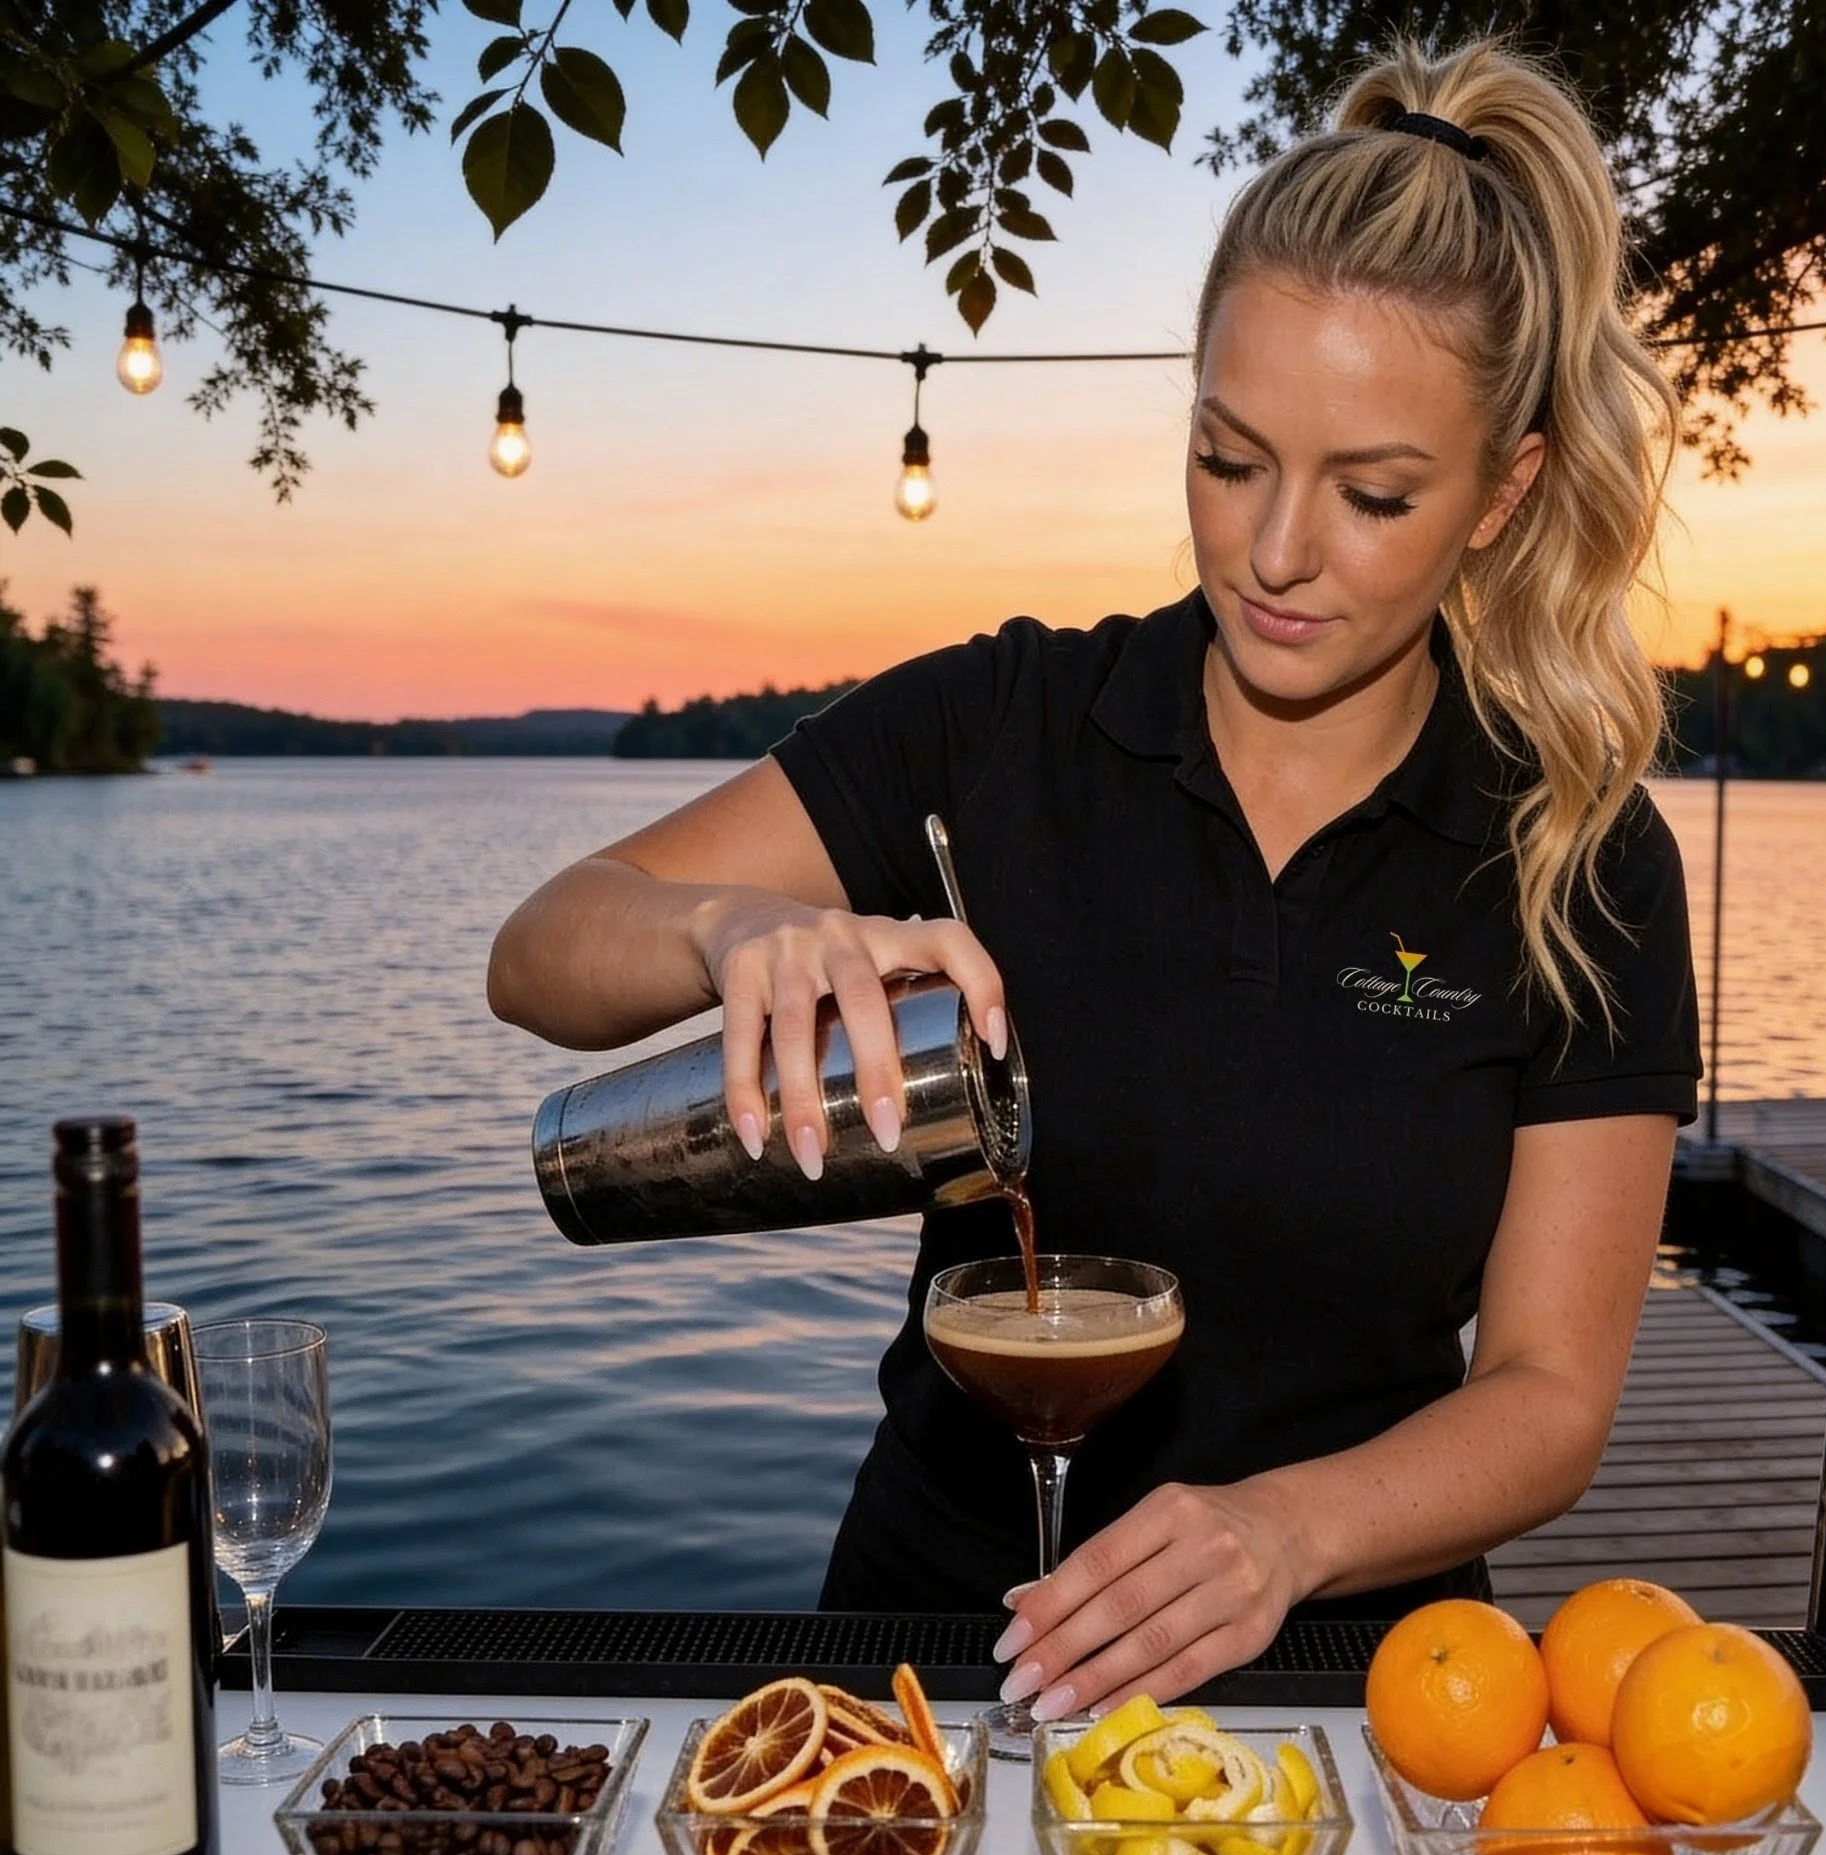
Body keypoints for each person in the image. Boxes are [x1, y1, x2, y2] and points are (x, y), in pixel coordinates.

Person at [488, 37, 1701, 1722]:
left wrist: (1285, 1533)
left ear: (1505, 494)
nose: (1276, 553)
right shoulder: (1003, 731)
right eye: (1228, 458)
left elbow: (1553, 1391)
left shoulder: (1582, 855)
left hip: (1360, 1695)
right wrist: (730, 922)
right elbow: (540, 954)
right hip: (931, 1654)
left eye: (1373, 495)